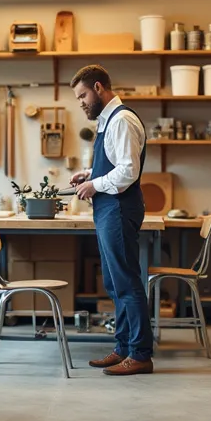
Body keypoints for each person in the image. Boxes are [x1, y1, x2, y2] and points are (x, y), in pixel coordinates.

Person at [69, 65, 152, 376]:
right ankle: (124, 348)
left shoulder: (123, 120)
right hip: (108, 209)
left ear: (99, 88)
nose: (81, 103)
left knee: (128, 283)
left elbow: (128, 171)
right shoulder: (107, 122)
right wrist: (89, 174)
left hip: (118, 208)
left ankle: (141, 354)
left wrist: (95, 185)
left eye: (83, 96)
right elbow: (115, 163)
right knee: (115, 283)